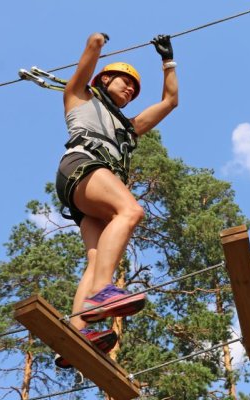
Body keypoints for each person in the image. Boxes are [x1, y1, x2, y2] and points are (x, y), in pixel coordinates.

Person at [54, 32, 178, 368]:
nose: (131, 91)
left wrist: (168, 61)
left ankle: (78, 331)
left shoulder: (129, 128)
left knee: (95, 261)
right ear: (105, 78)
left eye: (135, 90)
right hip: (82, 168)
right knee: (131, 210)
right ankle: (102, 294)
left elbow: (170, 102)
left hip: (88, 192)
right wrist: (96, 42)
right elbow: (90, 51)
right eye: (126, 83)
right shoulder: (79, 97)